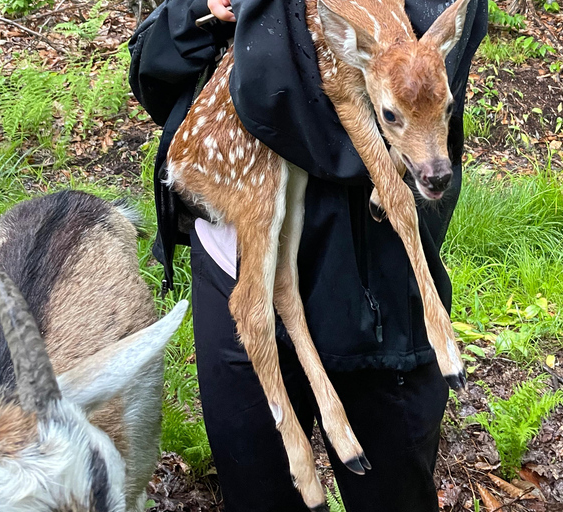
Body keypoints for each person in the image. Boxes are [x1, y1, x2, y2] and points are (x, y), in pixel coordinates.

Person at [129, 0, 487, 510]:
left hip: (371, 292)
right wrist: (194, 12)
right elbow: (154, 73)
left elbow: (382, 104)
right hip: (236, 264)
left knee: (391, 494)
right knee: (259, 492)